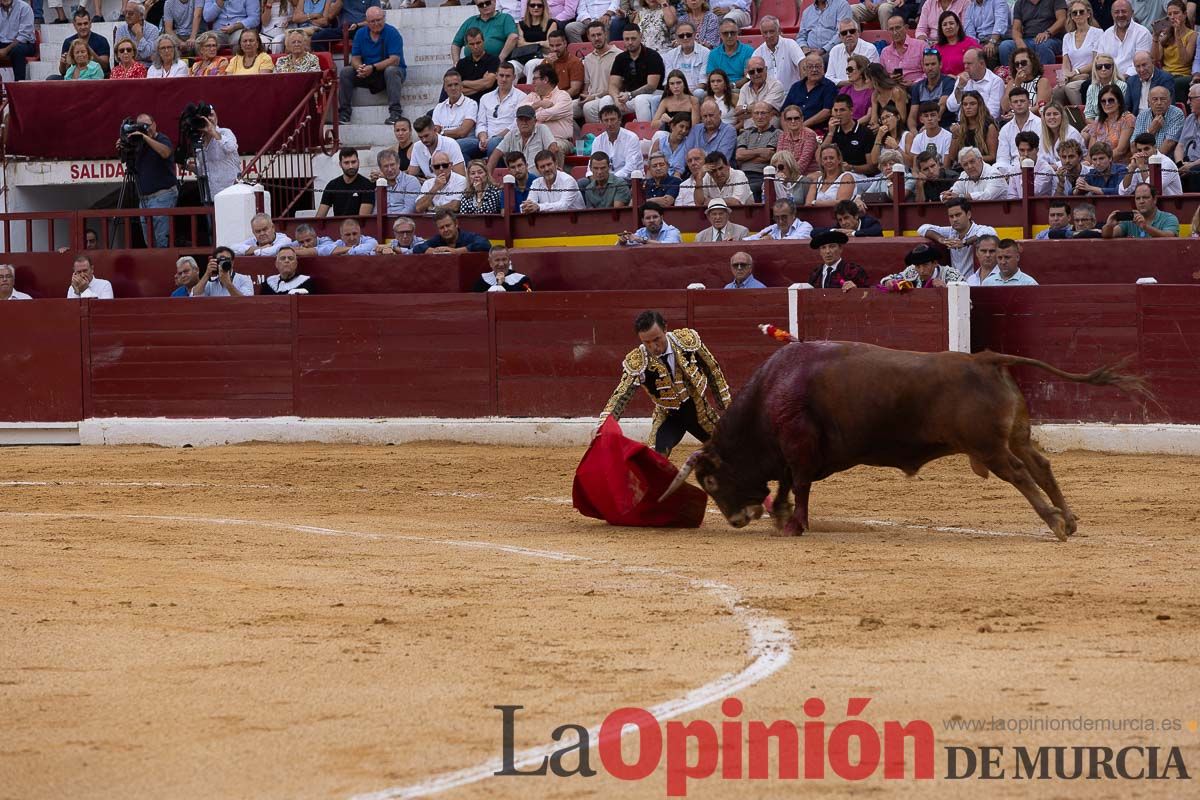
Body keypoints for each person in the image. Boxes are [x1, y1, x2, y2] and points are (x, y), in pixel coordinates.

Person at [596, 310, 732, 456]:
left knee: (730, 451)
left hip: (700, 411)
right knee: (654, 461)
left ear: (665, 329)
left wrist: (729, 408)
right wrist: (603, 428)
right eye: (646, 342)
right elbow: (620, 397)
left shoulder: (687, 341)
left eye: (656, 339)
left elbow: (712, 370)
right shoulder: (638, 361)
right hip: (669, 416)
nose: (653, 346)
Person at [338, 7, 406, 125]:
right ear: (367, 22)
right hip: (368, 71)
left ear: (384, 18)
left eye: (379, 20)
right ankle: (344, 113)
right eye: (372, 21)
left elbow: (394, 60)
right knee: (346, 72)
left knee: (391, 71)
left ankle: (395, 112)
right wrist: (360, 68)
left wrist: (373, 68)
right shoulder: (360, 34)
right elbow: (355, 58)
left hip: (387, 72)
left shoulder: (392, 32)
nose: (376, 24)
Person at [118, 113, 177, 249]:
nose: (144, 129)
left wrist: (145, 137)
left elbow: (165, 152)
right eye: (140, 127)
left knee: (161, 239)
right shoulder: (137, 144)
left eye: (146, 126)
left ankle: (163, 266)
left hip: (163, 195)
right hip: (144, 198)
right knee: (149, 240)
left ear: (154, 124)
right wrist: (123, 147)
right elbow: (126, 161)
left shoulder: (161, 138)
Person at [917, 197, 998, 276]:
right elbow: (922, 229)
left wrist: (964, 242)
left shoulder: (978, 229)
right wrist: (941, 239)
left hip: (974, 282)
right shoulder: (950, 231)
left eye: (958, 215)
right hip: (955, 282)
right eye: (951, 216)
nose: (954, 219)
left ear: (968, 214)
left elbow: (991, 232)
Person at [605, 23, 665, 122]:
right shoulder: (621, 58)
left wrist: (630, 95)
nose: (630, 42)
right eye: (626, 39)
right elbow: (613, 85)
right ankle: (609, 134)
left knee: (640, 100)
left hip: (654, 95)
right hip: (629, 96)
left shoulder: (652, 56)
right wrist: (616, 99)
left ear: (640, 37)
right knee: (606, 100)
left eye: (633, 38)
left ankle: (645, 134)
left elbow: (651, 86)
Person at [1054, 0, 1104, 106]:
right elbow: (1066, 63)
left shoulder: (1098, 33)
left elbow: (1097, 61)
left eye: (1081, 12)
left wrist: (1077, 72)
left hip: (1090, 76)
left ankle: (1082, 117)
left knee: (1070, 88)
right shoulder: (1067, 37)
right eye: (1074, 13)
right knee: (1056, 90)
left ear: (1088, 14)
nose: (1078, 15)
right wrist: (1069, 76)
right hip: (1073, 77)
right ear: (1071, 16)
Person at [475, 63, 525, 161]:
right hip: (486, 139)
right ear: (496, 76)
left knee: (494, 143)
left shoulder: (521, 97)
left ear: (514, 77)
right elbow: (481, 123)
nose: (504, 79)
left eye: (508, 76)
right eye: (501, 75)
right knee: (462, 145)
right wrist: (482, 138)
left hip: (508, 139)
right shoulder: (485, 98)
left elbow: (515, 126)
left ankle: (491, 173)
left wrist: (493, 138)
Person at [489, 104, 559, 171]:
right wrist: (489, 175)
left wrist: (547, 168)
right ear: (517, 122)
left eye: (527, 119)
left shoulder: (542, 129)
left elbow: (554, 148)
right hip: (518, 178)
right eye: (521, 119)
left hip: (538, 179)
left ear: (535, 120)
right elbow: (496, 153)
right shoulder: (512, 134)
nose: (524, 122)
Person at [192, 104, 241, 200]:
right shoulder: (200, 140)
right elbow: (204, 169)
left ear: (216, 117)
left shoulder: (225, 132)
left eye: (211, 115)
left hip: (231, 194)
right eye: (206, 117)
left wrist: (213, 132)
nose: (209, 119)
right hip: (212, 195)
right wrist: (191, 168)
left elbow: (230, 148)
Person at [1000, 0, 1066, 68]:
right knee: (1005, 46)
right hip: (1028, 39)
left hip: (1052, 38)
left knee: (1042, 45)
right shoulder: (1020, 3)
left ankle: (1043, 76)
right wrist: (1020, 42)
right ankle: (1011, 76)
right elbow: (1016, 29)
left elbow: (1062, 20)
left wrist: (1047, 32)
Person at [432, 70, 481, 159]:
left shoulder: (471, 104)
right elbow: (435, 132)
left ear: (461, 86)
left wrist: (442, 132)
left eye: (456, 84)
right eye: (449, 85)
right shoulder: (439, 107)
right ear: (445, 88)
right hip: (446, 143)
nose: (453, 88)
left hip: (467, 141)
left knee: (455, 145)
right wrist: (451, 133)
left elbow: (463, 132)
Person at [783, 53, 837, 133]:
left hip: (817, 130)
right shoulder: (796, 87)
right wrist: (787, 131)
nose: (814, 70)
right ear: (804, 69)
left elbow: (827, 112)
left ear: (823, 68)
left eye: (818, 66)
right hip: (793, 129)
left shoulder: (829, 86)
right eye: (810, 67)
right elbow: (784, 112)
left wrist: (801, 126)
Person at [1151, 0, 1195, 101]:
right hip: (1166, 74)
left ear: (1184, 15)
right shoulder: (1166, 36)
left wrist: (1177, 33)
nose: (1172, 17)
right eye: (1169, 14)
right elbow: (1155, 59)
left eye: (1176, 13)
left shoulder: (1192, 35)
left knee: (1173, 83)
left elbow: (1185, 60)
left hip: (1183, 75)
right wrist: (1155, 37)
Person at [735, 102, 779, 200]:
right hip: (742, 175)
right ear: (752, 116)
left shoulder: (777, 133)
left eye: (763, 113)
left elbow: (768, 156)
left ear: (771, 116)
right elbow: (739, 155)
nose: (760, 117)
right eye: (756, 113)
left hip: (762, 176)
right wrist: (760, 151)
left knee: (747, 190)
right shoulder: (746, 133)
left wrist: (747, 157)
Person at [578, 20, 621, 122]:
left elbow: (619, 86)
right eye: (593, 36)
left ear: (605, 34)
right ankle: (581, 135)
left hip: (610, 97)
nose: (596, 38)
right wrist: (584, 96)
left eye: (599, 34)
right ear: (588, 37)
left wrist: (593, 97)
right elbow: (587, 84)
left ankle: (598, 135)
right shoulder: (588, 58)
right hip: (591, 97)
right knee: (568, 109)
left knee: (588, 108)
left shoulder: (619, 55)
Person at [1097, 0, 1152, 77]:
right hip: (1109, 78)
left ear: (1132, 13)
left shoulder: (1142, 33)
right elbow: (1100, 60)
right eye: (1116, 12)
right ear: (1112, 14)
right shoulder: (1106, 34)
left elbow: (1142, 63)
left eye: (1124, 11)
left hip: (1134, 78)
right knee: (1086, 85)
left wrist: (1122, 78)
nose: (1120, 15)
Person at [1102, 182, 1180, 236]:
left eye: (1145, 197)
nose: (1141, 201)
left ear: (1155, 199)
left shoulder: (1169, 218)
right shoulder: (1130, 220)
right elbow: (1109, 235)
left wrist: (1145, 227)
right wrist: (1109, 226)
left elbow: (1169, 236)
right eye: (1138, 198)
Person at [947, 47, 1005, 119]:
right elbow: (951, 107)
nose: (966, 67)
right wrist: (960, 87)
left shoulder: (996, 81)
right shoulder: (962, 80)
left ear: (982, 64)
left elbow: (993, 113)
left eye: (969, 64)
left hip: (984, 125)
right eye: (964, 63)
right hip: (962, 125)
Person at [452, 0, 517, 62]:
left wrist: (500, 59)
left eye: (487, 2)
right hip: (470, 64)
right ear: (477, 6)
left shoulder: (505, 18)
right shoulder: (470, 21)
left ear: (494, 1)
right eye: (481, 5)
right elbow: (456, 43)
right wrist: (456, 63)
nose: (485, 6)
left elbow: (513, 37)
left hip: (495, 63)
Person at [909, 49, 958, 131]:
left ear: (940, 65)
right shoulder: (917, 87)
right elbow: (912, 116)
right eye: (927, 65)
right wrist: (914, 132)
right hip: (924, 129)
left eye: (933, 64)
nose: (930, 68)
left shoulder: (949, 82)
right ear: (923, 66)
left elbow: (941, 105)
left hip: (945, 128)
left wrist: (927, 127)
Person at [54, 8, 110, 80]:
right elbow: (63, 72)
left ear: (90, 23)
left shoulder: (101, 40)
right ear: (74, 25)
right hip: (74, 77)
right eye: (79, 24)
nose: (83, 27)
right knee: (51, 78)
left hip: (95, 77)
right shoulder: (68, 42)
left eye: (85, 23)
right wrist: (63, 63)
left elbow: (105, 67)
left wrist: (88, 51)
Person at [317, 148, 375, 217]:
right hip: (337, 226)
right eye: (346, 163)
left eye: (353, 162)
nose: (351, 166)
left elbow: (363, 219)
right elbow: (319, 217)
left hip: (357, 227)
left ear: (358, 162)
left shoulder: (367, 185)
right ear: (340, 164)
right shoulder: (332, 185)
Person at [1084, 85, 1136, 162]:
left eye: (1111, 100)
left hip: (1118, 166)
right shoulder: (1098, 121)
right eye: (1103, 101)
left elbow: (1120, 151)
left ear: (1119, 102)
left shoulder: (1128, 119)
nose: (1107, 104)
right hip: (1097, 165)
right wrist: (1087, 164)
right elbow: (1091, 152)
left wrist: (1099, 162)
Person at [521, 149, 586, 212]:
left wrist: (539, 207)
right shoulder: (536, 183)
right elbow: (528, 205)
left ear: (556, 164)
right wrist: (527, 207)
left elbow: (563, 206)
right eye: (542, 167)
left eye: (549, 164)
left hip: (575, 221)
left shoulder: (568, 180)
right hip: (549, 221)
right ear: (538, 170)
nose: (546, 169)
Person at [591, 104, 645, 178]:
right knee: (583, 183)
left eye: (613, 119)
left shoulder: (632, 138)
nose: (609, 124)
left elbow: (631, 167)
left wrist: (611, 179)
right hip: (605, 180)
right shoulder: (597, 140)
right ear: (601, 122)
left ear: (619, 120)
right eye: (606, 120)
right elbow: (592, 165)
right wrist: (591, 177)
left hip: (628, 179)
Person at [662, 21, 710, 100]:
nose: (685, 38)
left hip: (696, 92)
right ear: (676, 38)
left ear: (695, 35)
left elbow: (703, 82)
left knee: (699, 92)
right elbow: (668, 80)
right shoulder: (670, 55)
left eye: (688, 35)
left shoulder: (705, 52)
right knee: (653, 100)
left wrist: (686, 94)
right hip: (675, 92)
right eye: (681, 36)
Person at [879, 243, 964, 288]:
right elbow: (888, 280)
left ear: (935, 263)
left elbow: (967, 304)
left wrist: (947, 289)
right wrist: (888, 282)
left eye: (925, 265)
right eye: (917, 266)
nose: (921, 270)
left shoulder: (951, 275)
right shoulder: (912, 271)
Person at [754, 15, 804, 89]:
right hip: (768, 96)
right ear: (761, 33)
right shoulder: (757, 53)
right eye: (765, 32)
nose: (768, 35)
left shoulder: (790, 44)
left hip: (791, 94)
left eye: (771, 31)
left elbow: (802, 64)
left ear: (779, 31)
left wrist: (802, 89)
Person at [996, 86, 1042, 165]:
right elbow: (1002, 158)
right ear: (1010, 105)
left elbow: (1041, 154)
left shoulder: (1040, 124)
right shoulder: (1005, 129)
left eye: (1022, 101)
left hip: (1035, 166)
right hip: (1011, 170)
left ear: (1029, 103)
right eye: (1015, 102)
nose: (1019, 104)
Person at [1133, 85, 1185, 155]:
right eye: (1155, 99)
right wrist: (1150, 131)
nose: (1159, 103)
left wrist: (1153, 161)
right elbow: (1133, 147)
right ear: (1148, 102)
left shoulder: (1176, 113)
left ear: (1170, 101)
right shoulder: (1142, 115)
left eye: (1163, 99)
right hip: (1143, 159)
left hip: (1166, 160)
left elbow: (1169, 143)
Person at [736, 57, 785, 129]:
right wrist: (767, 112)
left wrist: (745, 109)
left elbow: (765, 108)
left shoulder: (776, 85)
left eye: (759, 70)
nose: (756, 74)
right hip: (749, 132)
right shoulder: (744, 88)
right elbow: (738, 114)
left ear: (766, 69)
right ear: (748, 74)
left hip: (770, 131)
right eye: (752, 72)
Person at [455, 27, 501, 104]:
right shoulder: (461, 63)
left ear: (483, 41)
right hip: (466, 103)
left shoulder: (494, 60)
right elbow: (458, 90)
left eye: (478, 43)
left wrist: (464, 83)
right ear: (467, 45)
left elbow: (488, 83)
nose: (475, 47)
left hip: (488, 102)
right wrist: (482, 85)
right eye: (472, 44)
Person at [412, 209, 492, 254]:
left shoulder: (468, 237)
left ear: (456, 224)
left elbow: (485, 244)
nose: (445, 230)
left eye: (448, 225)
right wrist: (434, 251)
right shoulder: (437, 240)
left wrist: (456, 251)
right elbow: (417, 248)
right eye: (441, 227)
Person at [944, 145, 1008, 199]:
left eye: (972, 162)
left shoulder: (994, 174)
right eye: (965, 164)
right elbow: (954, 192)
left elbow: (987, 196)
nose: (969, 166)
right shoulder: (964, 175)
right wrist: (946, 196)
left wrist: (960, 196)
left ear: (980, 160)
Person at [826, 19, 879, 84]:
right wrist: (847, 84)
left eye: (852, 31)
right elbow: (829, 78)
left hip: (864, 89)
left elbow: (872, 77)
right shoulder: (835, 51)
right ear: (840, 37)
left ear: (858, 33)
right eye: (844, 33)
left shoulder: (870, 49)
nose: (848, 35)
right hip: (839, 90)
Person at [371, 148, 422, 215]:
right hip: (384, 222)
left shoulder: (411, 181)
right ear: (380, 168)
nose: (389, 169)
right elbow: (376, 211)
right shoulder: (379, 185)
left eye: (392, 165)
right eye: (386, 166)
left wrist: (394, 223)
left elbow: (410, 209)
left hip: (404, 222)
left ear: (398, 164)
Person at [964, 0, 1012, 67]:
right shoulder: (970, 8)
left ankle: (997, 75)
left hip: (998, 39)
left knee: (989, 53)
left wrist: (992, 42)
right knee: (969, 55)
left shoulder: (998, 1)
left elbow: (1000, 22)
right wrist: (976, 46)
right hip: (979, 41)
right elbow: (969, 31)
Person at [1125, 50, 1176, 114]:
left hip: (1157, 117)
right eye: (1138, 66)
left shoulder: (1165, 79)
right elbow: (1127, 106)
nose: (1141, 70)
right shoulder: (1131, 81)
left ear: (1152, 63)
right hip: (1136, 119)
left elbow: (1169, 106)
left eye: (1144, 65)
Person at [1001, 46, 1051, 113]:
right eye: (1017, 64)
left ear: (1032, 63)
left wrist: (1017, 114)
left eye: (1023, 63)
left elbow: (1040, 107)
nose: (1020, 66)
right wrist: (1016, 85)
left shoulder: (1042, 82)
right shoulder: (1012, 82)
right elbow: (1005, 107)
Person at [908, 100, 954, 170]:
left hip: (942, 177)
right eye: (926, 116)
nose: (930, 119)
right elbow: (915, 168)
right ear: (921, 119)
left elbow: (946, 167)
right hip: (923, 176)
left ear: (938, 117)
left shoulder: (948, 137)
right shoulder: (918, 138)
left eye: (933, 115)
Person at [881, 14, 926, 85]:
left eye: (898, 28)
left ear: (906, 28)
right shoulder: (885, 52)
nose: (895, 32)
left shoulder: (921, 46)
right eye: (891, 29)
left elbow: (929, 72)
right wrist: (890, 79)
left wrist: (914, 83)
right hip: (894, 89)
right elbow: (882, 78)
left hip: (918, 88)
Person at [707, 18, 754, 86]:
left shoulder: (748, 51)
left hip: (742, 88)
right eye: (725, 33)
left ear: (738, 33)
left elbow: (749, 76)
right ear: (720, 35)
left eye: (732, 33)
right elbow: (710, 76)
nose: (729, 36)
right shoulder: (713, 54)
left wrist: (733, 85)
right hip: (720, 88)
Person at [776, 104, 819, 176]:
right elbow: (779, 159)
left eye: (796, 118)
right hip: (786, 176)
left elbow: (803, 163)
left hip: (806, 177)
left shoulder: (810, 135)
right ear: (785, 121)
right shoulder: (782, 136)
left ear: (802, 119)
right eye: (789, 119)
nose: (793, 121)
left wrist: (787, 176)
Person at [1038, 101, 1085, 165]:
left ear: (1062, 116)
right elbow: (1040, 158)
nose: (1052, 117)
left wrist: (1054, 167)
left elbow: (1073, 159)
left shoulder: (1072, 133)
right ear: (1044, 117)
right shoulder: (1041, 134)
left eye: (1055, 114)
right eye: (1048, 114)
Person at [935, 10, 979, 76]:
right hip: (944, 83)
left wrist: (960, 77)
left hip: (968, 81)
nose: (948, 27)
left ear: (958, 26)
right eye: (944, 25)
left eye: (951, 23)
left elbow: (978, 65)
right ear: (941, 29)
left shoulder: (970, 43)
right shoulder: (936, 48)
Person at [1083, 53, 1126, 121]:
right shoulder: (1091, 88)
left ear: (1113, 68)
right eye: (1099, 66)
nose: (1103, 69)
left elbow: (1122, 111)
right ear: (1095, 69)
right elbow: (1088, 115)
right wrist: (1098, 127)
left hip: (1117, 122)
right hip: (1097, 125)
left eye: (1107, 66)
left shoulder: (1122, 85)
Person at [748, 198, 814, 240]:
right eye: (776, 217)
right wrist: (760, 240)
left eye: (784, 217)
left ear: (793, 214)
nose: (780, 221)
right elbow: (748, 240)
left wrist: (771, 241)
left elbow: (794, 241)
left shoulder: (805, 227)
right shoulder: (773, 228)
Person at [617, 203, 682, 245]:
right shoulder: (640, 232)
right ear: (643, 221)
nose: (652, 220)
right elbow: (617, 248)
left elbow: (668, 246)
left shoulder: (672, 231)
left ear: (661, 218)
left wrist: (642, 240)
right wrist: (622, 242)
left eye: (655, 217)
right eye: (648, 218)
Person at [1176, 83, 1200, 191]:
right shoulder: (1190, 118)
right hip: (1188, 162)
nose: (1187, 102)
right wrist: (1180, 164)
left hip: (1196, 165)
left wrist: (1190, 166)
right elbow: (1180, 146)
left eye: (1191, 98)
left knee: (1194, 173)